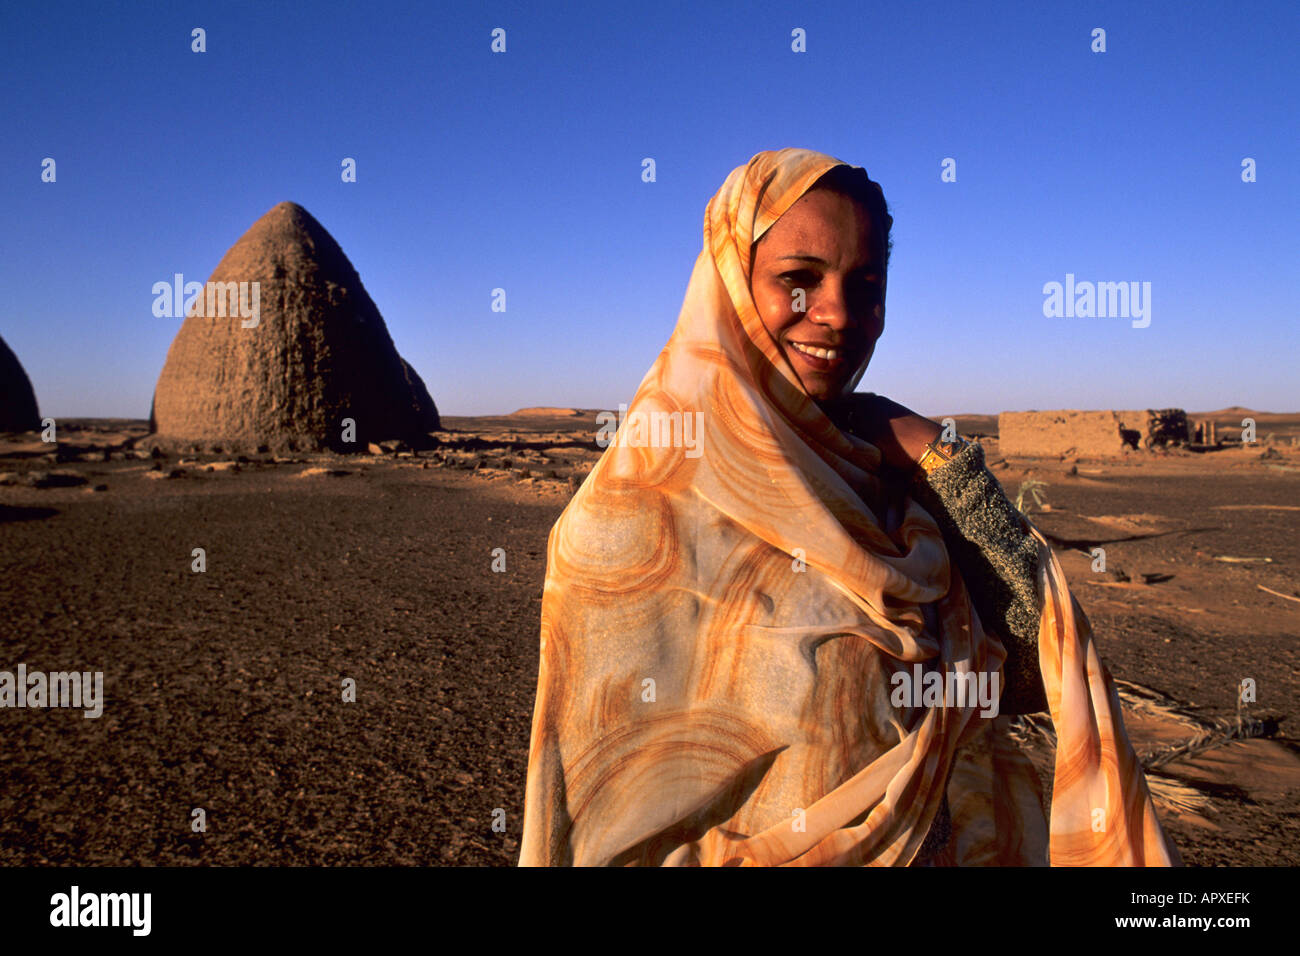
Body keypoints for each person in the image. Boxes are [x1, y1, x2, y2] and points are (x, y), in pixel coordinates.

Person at [518, 147, 1180, 867]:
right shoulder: (631, 518)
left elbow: (1024, 674)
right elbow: (594, 825)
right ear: (732, 288)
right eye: (798, 280)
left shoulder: (879, 487)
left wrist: (942, 462)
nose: (835, 314)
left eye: (864, 285)